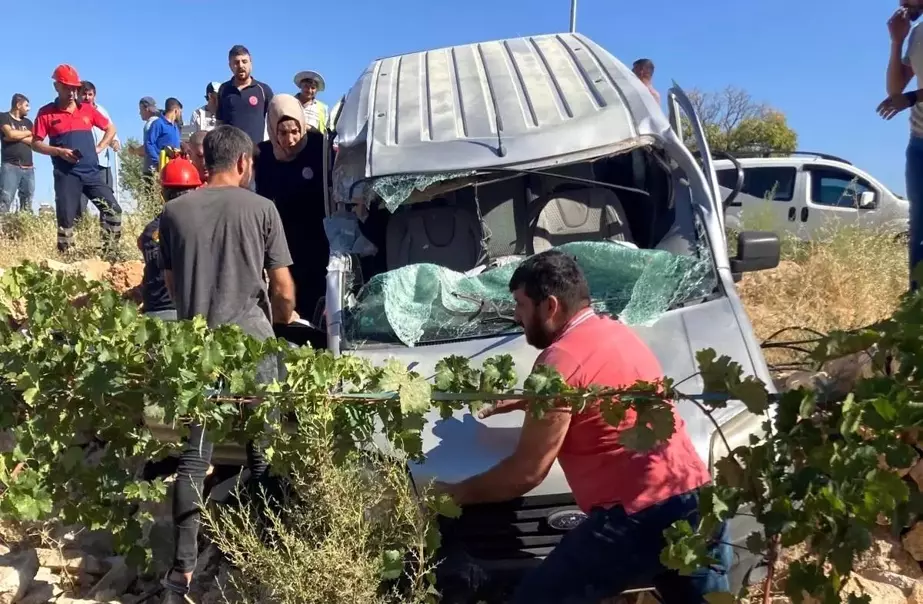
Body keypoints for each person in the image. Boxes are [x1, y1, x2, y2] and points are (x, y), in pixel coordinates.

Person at [435, 250, 729, 604]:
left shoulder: (559, 361)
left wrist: (456, 494)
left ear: (550, 306)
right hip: (695, 501)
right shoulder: (616, 332)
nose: (517, 316)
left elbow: (527, 472)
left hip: (635, 519)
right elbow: (602, 391)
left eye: (521, 305)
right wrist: (532, 400)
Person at [157, 125, 296, 602]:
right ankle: (267, 552)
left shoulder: (173, 213)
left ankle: (182, 571)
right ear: (242, 163)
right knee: (263, 453)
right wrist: (280, 321)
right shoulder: (262, 209)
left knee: (195, 459)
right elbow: (282, 288)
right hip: (255, 347)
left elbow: (174, 289)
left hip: (197, 350)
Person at [31, 64, 122, 257]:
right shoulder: (46, 113)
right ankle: (67, 260)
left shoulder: (87, 110)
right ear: (56, 86)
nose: (72, 92)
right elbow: (35, 143)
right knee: (66, 220)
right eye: (67, 87)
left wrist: (100, 147)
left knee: (113, 209)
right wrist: (58, 151)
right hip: (66, 175)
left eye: (75, 88)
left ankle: (109, 254)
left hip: (91, 173)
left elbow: (111, 128)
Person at [255, 94, 328, 318]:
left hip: (318, 234)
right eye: (283, 133)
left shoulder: (317, 146)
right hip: (284, 235)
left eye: (295, 131)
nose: (290, 139)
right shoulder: (264, 155)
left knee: (318, 291)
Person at [878, 0, 923, 289]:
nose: (902, 3)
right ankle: (916, 311)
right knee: (918, 231)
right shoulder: (918, 35)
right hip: (919, 142)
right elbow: (895, 90)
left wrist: (911, 99)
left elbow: (904, 97)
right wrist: (897, 41)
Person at [136, 157, 202, 322]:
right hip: (189, 313)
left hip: (153, 312)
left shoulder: (151, 229)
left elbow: (142, 243)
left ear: (163, 194)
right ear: (196, 191)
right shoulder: (201, 227)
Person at [216, 45, 273, 146]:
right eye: (236, 62)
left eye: (244, 61)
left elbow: (275, 120)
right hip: (230, 152)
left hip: (256, 152)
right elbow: (219, 123)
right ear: (230, 66)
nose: (241, 65)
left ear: (251, 63)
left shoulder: (263, 90)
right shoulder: (224, 89)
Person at [79, 81, 121, 217]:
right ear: (78, 95)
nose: (87, 97)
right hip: (82, 163)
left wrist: (114, 141)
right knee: (79, 201)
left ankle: (107, 233)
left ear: (94, 96)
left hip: (102, 163)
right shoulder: (75, 111)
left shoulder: (101, 111)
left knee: (107, 201)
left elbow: (111, 129)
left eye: (90, 94)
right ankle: (81, 229)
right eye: (84, 94)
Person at [0, 94, 34, 214]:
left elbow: (33, 141)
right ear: (18, 105)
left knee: (27, 201)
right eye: (26, 105)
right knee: (5, 199)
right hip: (10, 166)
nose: (29, 109)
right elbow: (10, 134)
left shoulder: (28, 123)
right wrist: (13, 135)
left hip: (29, 168)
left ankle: (23, 229)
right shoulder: (3, 117)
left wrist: (14, 136)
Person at [145, 98, 183, 176]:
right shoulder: (158, 124)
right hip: (161, 169)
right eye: (180, 112)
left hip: (174, 168)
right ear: (176, 111)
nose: (180, 115)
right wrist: (157, 161)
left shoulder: (175, 127)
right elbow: (149, 143)